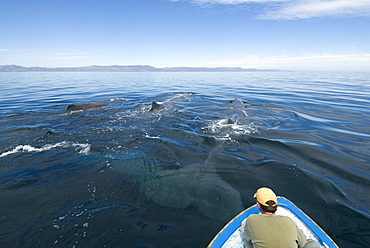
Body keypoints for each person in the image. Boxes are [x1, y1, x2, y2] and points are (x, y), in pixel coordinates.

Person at [244, 187, 320, 248]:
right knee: (312, 243)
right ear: (276, 204)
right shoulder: (288, 221)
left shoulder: (252, 219)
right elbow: (302, 243)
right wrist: (301, 235)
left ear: (258, 205)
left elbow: (248, 239)